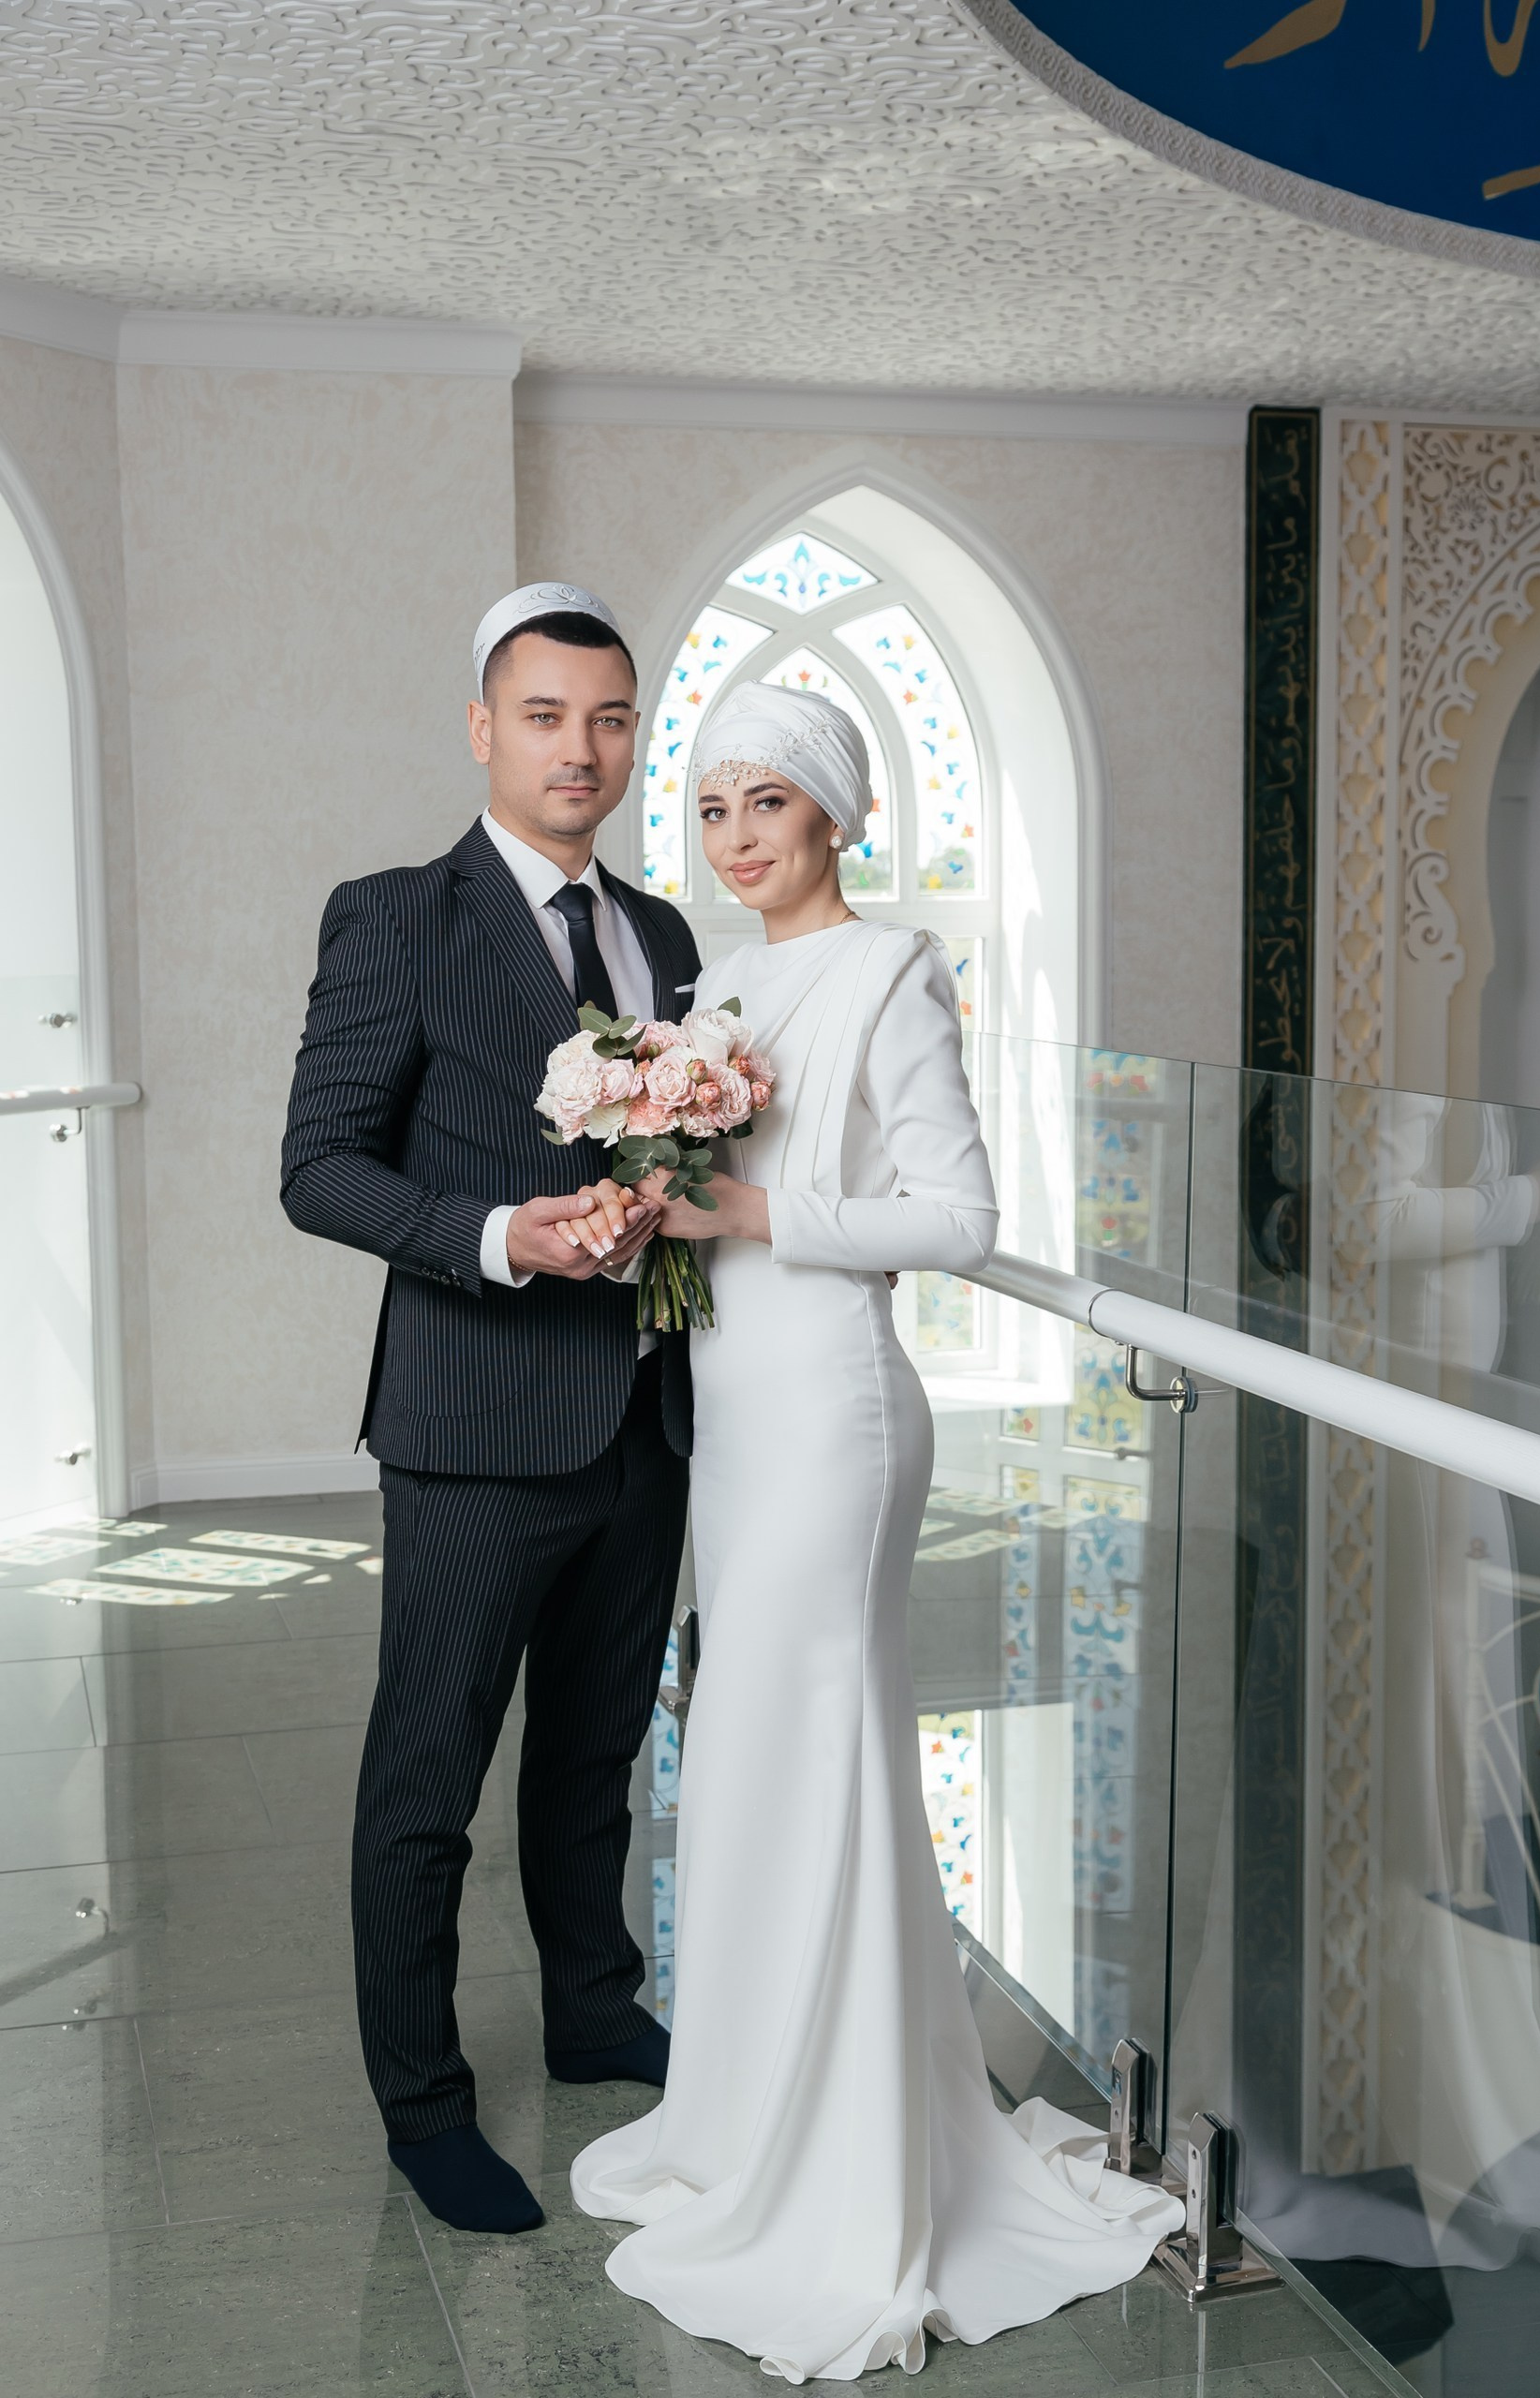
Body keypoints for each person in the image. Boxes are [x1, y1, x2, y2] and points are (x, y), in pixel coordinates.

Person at [569, 684, 1183, 2381]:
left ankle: (848, 2171)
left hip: (836, 1419)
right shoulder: (720, 991)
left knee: (817, 1754)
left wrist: (756, 1208)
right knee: (749, 1759)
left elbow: (959, 1215)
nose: (735, 837)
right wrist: (644, 1213)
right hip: (737, 1416)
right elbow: (706, 1211)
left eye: (767, 803)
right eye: (712, 809)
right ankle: (754, 2117)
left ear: (837, 814)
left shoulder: (892, 970)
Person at [281, 582, 701, 2237]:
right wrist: (497, 1238)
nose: (578, 749)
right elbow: (320, 1169)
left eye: (608, 718)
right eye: (543, 716)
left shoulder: (662, 935)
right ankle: (426, 2107)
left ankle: (594, 2010)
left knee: (597, 1754)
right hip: (471, 1426)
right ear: (483, 730)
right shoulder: (398, 916)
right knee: (427, 1782)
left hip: (641, 1421)